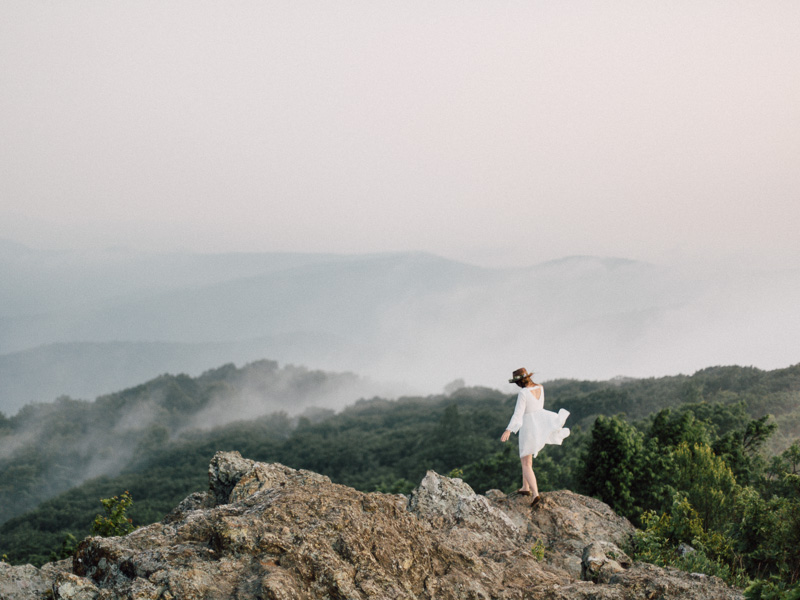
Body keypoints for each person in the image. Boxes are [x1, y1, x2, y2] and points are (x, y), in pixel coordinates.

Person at [500, 367, 570, 507]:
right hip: (539, 422)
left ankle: (535, 493)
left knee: (526, 462)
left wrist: (508, 430)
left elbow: (518, 414)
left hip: (528, 426)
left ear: (519, 382)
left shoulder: (523, 393)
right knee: (526, 458)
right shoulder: (540, 387)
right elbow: (539, 407)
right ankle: (525, 487)